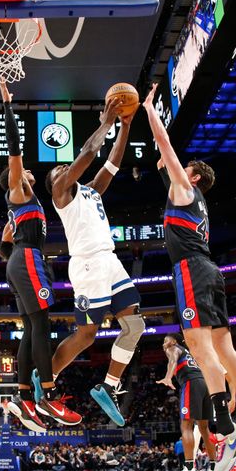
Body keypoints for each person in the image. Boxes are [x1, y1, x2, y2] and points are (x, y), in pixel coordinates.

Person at [142, 83, 236, 471]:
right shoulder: (192, 200)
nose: (177, 169)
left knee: (201, 350)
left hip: (191, 270)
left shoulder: (186, 188)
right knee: (224, 348)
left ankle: (227, 429)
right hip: (210, 271)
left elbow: (166, 146)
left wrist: (151, 110)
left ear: (196, 176)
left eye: (185, 168)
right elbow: (167, 164)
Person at [43, 98, 146, 426]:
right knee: (87, 335)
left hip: (110, 262)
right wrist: (106, 122)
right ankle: (45, 379)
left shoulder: (90, 191)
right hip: (87, 265)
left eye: (64, 167)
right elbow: (88, 153)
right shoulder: (61, 193)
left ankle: (108, 386)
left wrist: (125, 127)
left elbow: (112, 164)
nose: (63, 169)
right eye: (59, 169)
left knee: (136, 325)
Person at [0, 80, 81, 429]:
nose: (28, 169)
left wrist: (13, 261)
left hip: (21, 260)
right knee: (41, 325)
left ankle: (24, 396)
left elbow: (3, 244)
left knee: (32, 328)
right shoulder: (18, 192)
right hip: (28, 259)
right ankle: (48, 395)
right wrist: (7, 105)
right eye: (22, 169)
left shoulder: (18, 210)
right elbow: (15, 149)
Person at [157, 334, 218, 471]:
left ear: (175, 341)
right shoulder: (188, 353)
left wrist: (168, 377)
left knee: (186, 425)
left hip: (191, 384)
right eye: (163, 341)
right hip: (205, 384)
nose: (165, 343)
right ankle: (215, 469)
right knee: (204, 428)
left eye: (167, 340)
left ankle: (190, 469)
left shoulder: (173, 348)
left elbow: (172, 360)